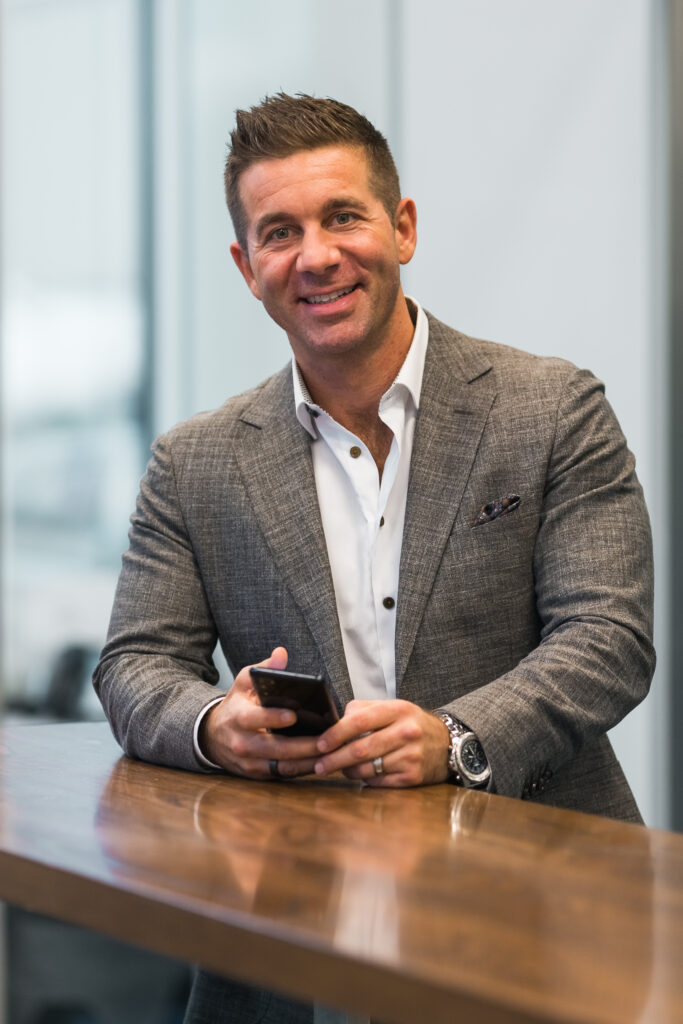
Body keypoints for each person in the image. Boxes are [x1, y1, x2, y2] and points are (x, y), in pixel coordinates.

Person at [94, 93, 655, 1023]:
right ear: (246, 267)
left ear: (401, 227)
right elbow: (134, 663)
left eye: (342, 216)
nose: (315, 255)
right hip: (281, 924)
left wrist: (457, 735)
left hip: (543, 908)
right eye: (279, 231)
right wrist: (209, 724)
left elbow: (607, 639)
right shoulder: (195, 461)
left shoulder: (551, 408)